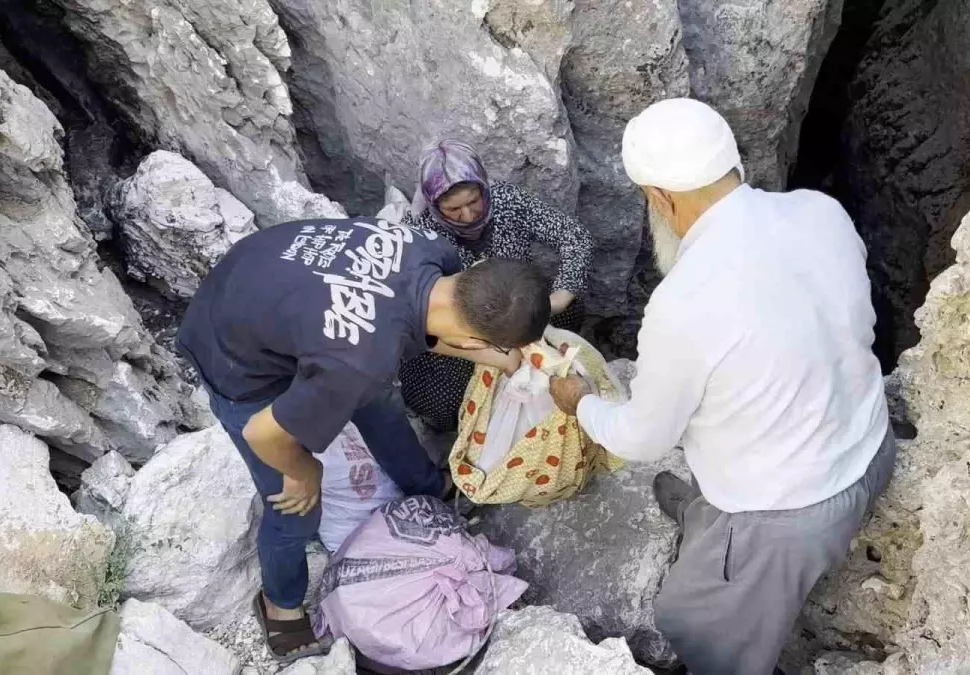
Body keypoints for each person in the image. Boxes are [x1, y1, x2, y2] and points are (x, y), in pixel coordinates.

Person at [549, 98, 897, 675]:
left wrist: (581, 401)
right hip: (869, 445)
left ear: (659, 198)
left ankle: (727, 553)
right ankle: (706, 519)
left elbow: (641, 438)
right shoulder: (819, 211)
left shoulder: (684, 301)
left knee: (688, 621)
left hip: (792, 514)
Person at [176, 216, 549, 664]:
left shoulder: (429, 249)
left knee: (379, 403)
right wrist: (303, 471)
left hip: (262, 276)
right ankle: (280, 604)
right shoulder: (360, 357)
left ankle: (427, 486)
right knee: (294, 508)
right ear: (472, 335)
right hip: (231, 354)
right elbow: (262, 432)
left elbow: (424, 328)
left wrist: (504, 362)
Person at [398, 139, 594, 432]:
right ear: (434, 203)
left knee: (569, 314)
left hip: (514, 310)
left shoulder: (507, 201)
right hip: (459, 335)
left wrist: (559, 297)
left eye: (473, 201)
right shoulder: (420, 234)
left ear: (483, 187)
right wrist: (486, 350)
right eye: (453, 209)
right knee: (440, 399)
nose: (467, 215)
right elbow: (415, 317)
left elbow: (574, 237)